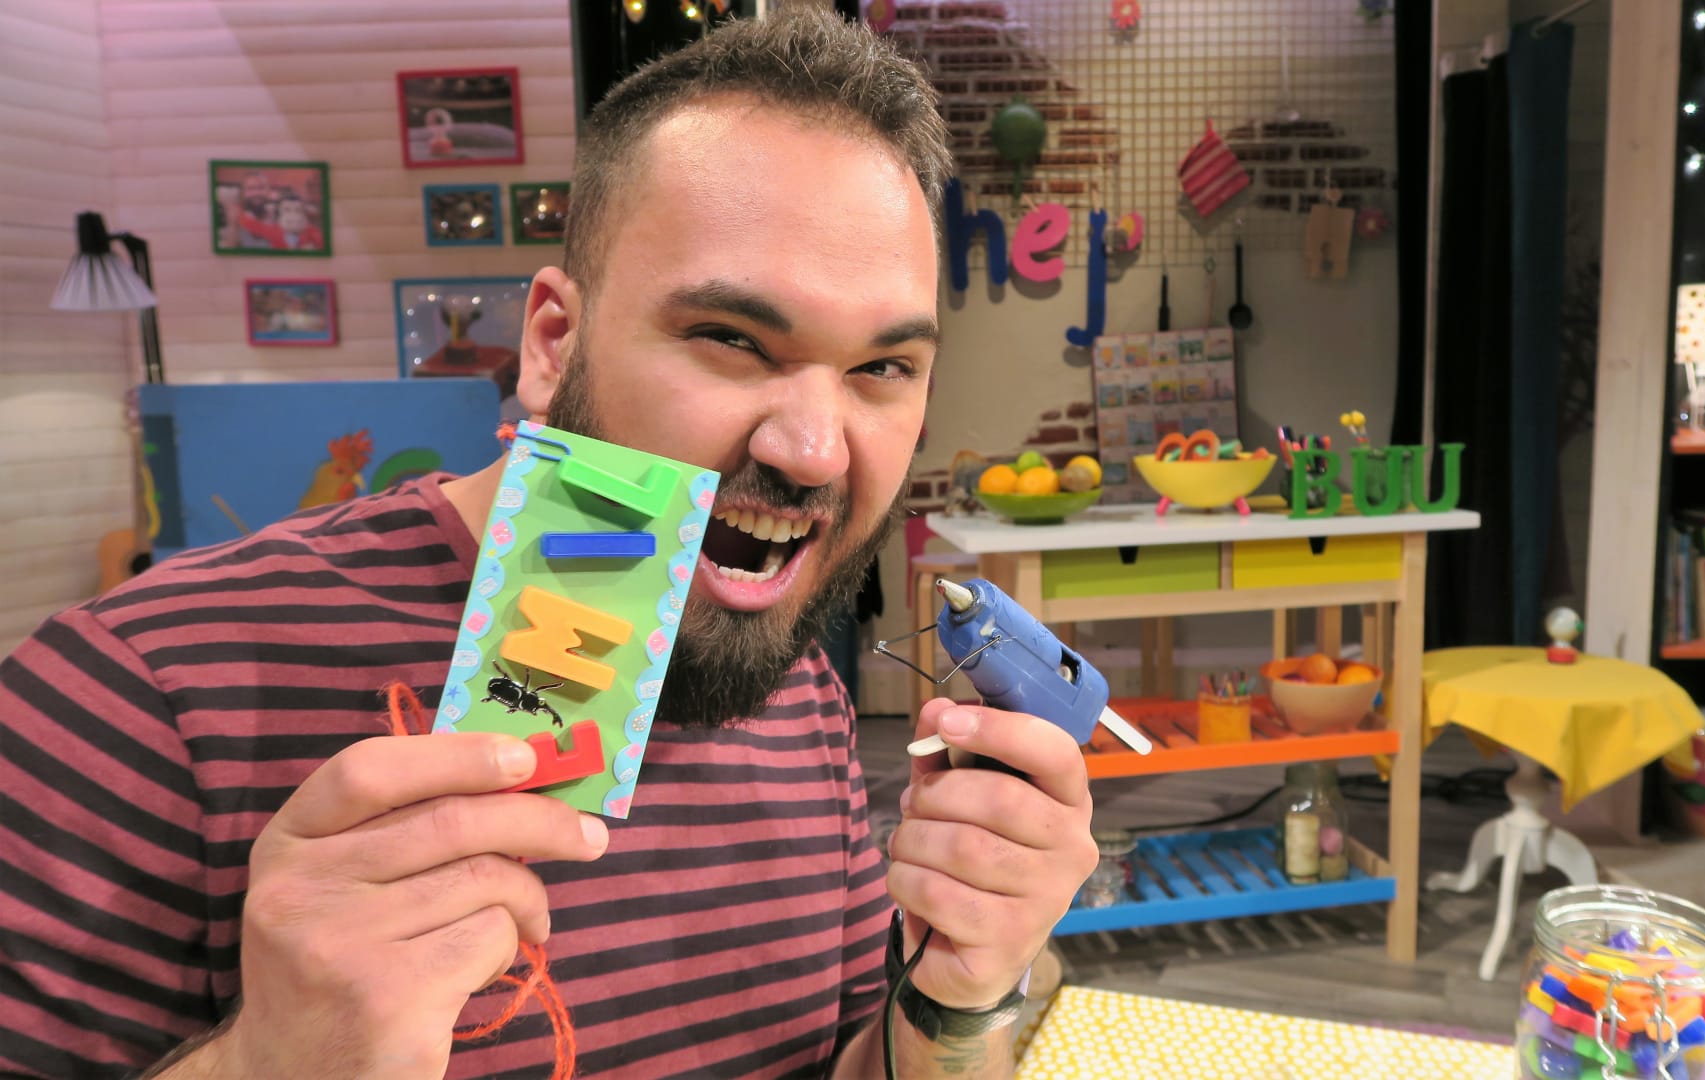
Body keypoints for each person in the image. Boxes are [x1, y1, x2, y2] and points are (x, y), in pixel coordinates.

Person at [0, 10, 1096, 1080]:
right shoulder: (132, 698)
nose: (813, 451)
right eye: (729, 338)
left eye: (883, 368)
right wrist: (266, 1065)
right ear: (552, 344)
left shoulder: (796, 686)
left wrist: (957, 998)